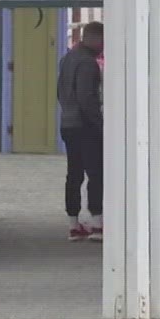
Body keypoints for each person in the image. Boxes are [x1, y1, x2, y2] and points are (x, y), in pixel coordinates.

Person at [57, 22, 105, 241]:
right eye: (103, 41)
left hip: (67, 122)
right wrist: (100, 122)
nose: (104, 46)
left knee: (73, 173)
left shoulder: (67, 58)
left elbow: (60, 91)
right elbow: (87, 97)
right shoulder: (88, 63)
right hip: (85, 124)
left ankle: (73, 224)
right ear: (94, 39)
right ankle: (97, 223)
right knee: (96, 173)